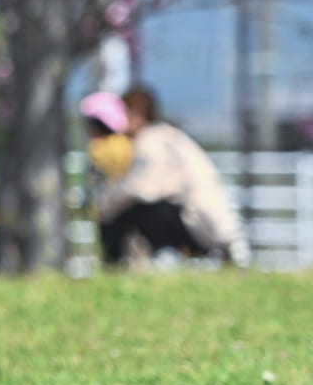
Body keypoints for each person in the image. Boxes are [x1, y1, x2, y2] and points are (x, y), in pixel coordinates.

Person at [88, 85, 250, 268]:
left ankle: (116, 264)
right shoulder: (167, 136)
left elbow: (141, 189)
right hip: (211, 225)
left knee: (130, 210)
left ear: (136, 114)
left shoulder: (151, 140)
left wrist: (105, 205)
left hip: (198, 225)